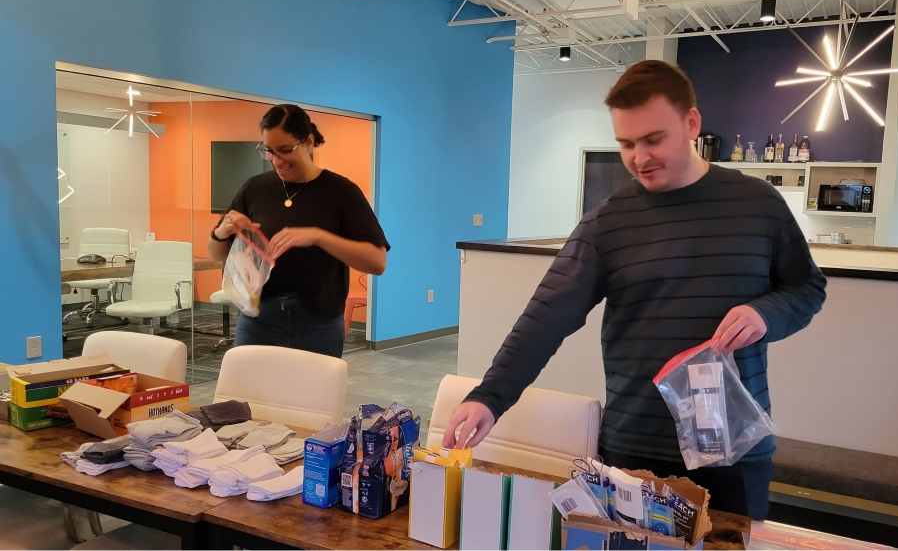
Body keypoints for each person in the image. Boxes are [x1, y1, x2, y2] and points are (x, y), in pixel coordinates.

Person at [442, 61, 826, 519]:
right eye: (626, 144)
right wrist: (490, 396)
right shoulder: (610, 220)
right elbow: (547, 316)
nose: (639, 157)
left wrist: (767, 313)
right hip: (635, 449)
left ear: (691, 123)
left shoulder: (759, 205)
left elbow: (806, 288)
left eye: (653, 139)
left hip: (733, 452)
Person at [208, 104, 389, 358]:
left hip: (318, 324)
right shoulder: (254, 189)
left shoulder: (341, 192)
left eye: (285, 150)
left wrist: (319, 236)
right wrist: (221, 233)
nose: (276, 160)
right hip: (259, 320)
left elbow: (377, 262)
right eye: (268, 151)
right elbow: (216, 253)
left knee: (313, 397)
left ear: (309, 142)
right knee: (248, 396)